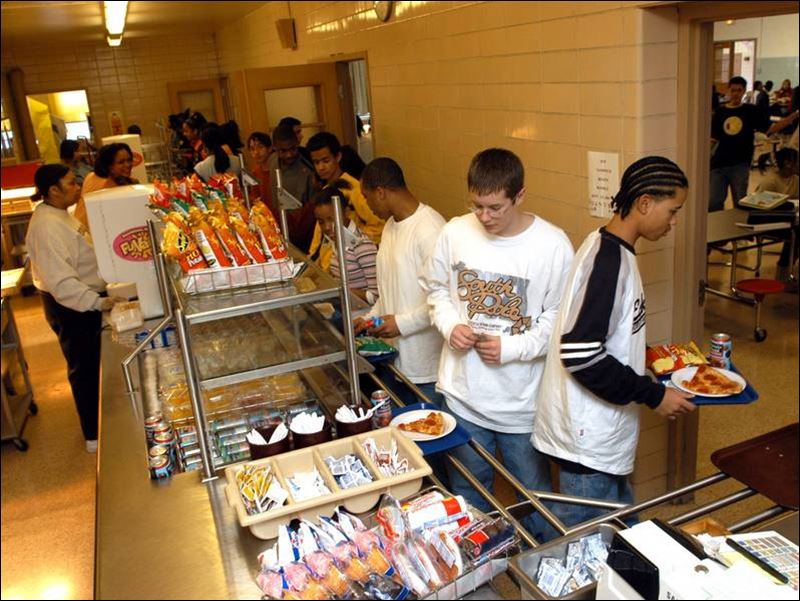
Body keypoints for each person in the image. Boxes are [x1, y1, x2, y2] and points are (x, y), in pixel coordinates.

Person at [532, 156, 697, 527]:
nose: (673, 222)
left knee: (622, 531)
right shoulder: (609, 261)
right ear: (645, 203)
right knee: (585, 546)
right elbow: (580, 354)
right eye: (673, 211)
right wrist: (654, 395)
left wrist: (648, 355)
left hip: (598, 436)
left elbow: (606, 330)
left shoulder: (608, 246)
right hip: (587, 440)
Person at [421, 148, 574, 541]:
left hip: (521, 405)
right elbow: (436, 290)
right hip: (464, 397)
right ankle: (479, 560)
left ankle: (540, 563)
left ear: (519, 196)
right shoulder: (455, 232)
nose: (484, 217)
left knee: (534, 499)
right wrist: (450, 324)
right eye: (476, 206)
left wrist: (512, 348)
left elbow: (558, 320)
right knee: (468, 492)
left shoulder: (553, 245)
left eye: (495, 208)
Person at [26, 165, 126, 453]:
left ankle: (101, 425)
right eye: (70, 183)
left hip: (82, 298)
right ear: (53, 190)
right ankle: (93, 435)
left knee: (93, 364)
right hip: (70, 306)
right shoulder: (46, 227)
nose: (77, 187)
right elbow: (61, 281)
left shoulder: (61, 214)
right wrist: (96, 302)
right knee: (84, 369)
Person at [354, 157, 447, 407]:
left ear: (381, 192)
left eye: (366, 197)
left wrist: (401, 324)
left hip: (425, 368)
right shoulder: (390, 226)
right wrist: (369, 318)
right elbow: (390, 291)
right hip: (394, 358)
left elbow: (444, 302)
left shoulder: (431, 229)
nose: (366, 205)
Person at [709, 76, 799, 212]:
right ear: (728, 90)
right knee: (714, 202)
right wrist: (707, 159)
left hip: (740, 163)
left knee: (740, 202)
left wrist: (790, 118)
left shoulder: (750, 111)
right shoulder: (720, 112)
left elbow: (769, 129)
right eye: (733, 90)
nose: (735, 94)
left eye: (739, 90)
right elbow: (714, 138)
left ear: (744, 91)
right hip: (719, 163)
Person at [307, 132, 384, 272]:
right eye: (316, 163)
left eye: (326, 161)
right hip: (326, 266)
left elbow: (378, 226)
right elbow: (319, 236)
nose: (321, 167)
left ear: (338, 157)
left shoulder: (354, 189)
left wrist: (353, 241)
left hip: (349, 265)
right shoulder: (325, 191)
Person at [313, 181, 379, 303]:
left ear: (347, 212)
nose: (327, 227)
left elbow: (377, 297)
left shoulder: (362, 245)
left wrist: (341, 290)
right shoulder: (334, 241)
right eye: (321, 222)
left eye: (332, 219)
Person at [267, 123, 318, 252]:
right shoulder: (272, 162)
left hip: (303, 234)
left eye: (293, 149)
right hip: (277, 228)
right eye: (283, 151)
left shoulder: (308, 169)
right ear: (275, 148)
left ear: (297, 144)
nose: (289, 155)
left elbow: (312, 208)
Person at [756, 148, 799, 283]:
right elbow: (761, 207)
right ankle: (783, 271)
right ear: (788, 163)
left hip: (790, 220)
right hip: (770, 222)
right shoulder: (770, 182)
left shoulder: (796, 179)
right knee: (796, 233)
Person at [74, 143, 138, 230]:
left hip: (77, 226)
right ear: (109, 166)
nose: (127, 165)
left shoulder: (91, 176)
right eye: (121, 162)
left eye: (129, 160)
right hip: (90, 233)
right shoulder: (111, 188)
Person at [247, 131, 273, 210]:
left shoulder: (278, 170)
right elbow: (255, 199)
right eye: (252, 149)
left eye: (260, 147)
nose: (256, 152)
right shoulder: (255, 172)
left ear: (270, 148)